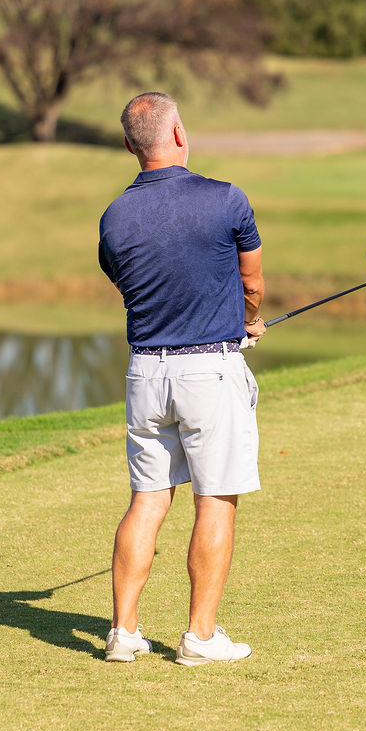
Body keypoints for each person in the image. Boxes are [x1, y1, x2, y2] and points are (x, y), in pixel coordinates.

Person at [98, 92, 266, 666]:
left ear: (129, 146)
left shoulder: (114, 217)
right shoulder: (227, 199)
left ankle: (123, 633)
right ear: (178, 134)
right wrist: (247, 320)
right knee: (214, 499)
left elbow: (137, 285)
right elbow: (251, 285)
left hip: (145, 372)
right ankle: (199, 636)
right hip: (209, 373)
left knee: (147, 500)